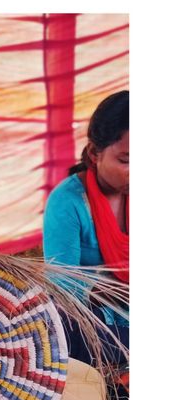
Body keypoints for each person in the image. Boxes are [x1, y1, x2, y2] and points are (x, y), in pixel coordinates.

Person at [43, 90, 129, 367]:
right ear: (94, 153)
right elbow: (64, 292)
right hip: (96, 324)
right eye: (126, 161)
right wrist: (112, 289)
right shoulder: (67, 202)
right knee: (67, 335)